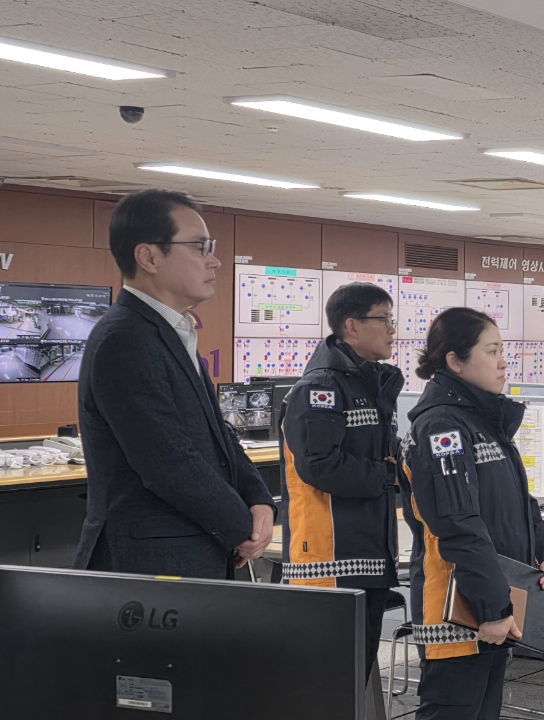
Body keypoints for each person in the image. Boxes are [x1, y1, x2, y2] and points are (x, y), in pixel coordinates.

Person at [73, 189, 275, 579]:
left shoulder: (169, 332)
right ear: (148, 257)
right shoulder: (125, 338)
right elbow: (166, 459)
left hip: (191, 552)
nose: (214, 260)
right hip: (152, 567)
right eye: (200, 247)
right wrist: (241, 527)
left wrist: (259, 500)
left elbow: (218, 435)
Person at [400, 306, 544, 720]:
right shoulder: (442, 429)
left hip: (493, 600)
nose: (503, 361)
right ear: (455, 361)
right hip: (458, 608)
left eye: (502, 350)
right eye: (491, 352)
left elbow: (518, 501)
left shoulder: (482, 421)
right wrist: (494, 608)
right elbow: (458, 525)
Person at [280, 282, 405, 682]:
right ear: (352, 326)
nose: (392, 329)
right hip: (330, 559)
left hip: (368, 552)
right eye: (383, 319)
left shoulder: (371, 386)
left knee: (354, 679)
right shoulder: (321, 388)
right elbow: (320, 466)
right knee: (327, 685)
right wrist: (388, 475)